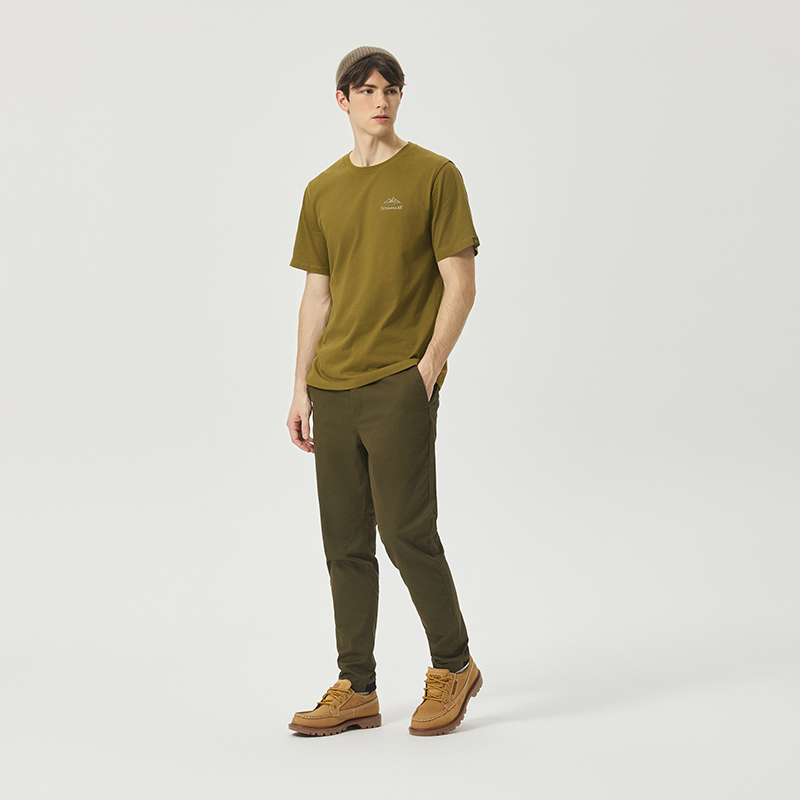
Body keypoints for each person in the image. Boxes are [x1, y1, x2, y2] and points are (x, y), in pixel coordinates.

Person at [285, 46, 482, 737]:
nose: (381, 100)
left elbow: (461, 284)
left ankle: (453, 665)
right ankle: (357, 686)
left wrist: (425, 371)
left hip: (398, 382)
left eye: (390, 89)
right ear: (342, 100)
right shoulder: (322, 190)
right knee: (344, 542)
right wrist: (301, 386)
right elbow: (317, 295)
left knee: (406, 533)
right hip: (333, 388)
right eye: (366, 89)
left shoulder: (434, 175)